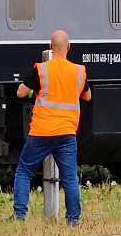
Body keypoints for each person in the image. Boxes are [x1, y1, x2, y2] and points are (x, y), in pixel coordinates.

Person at [12, 29, 91, 225]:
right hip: (66, 133)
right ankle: (73, 219)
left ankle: (19, 216)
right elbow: (87, 96)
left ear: (50, 47)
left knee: (24, 172)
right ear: (68, 47)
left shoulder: (42, 69)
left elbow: (21, 93)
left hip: (42, 131)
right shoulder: (78, 71)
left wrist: (35, 92)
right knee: (70, 177)